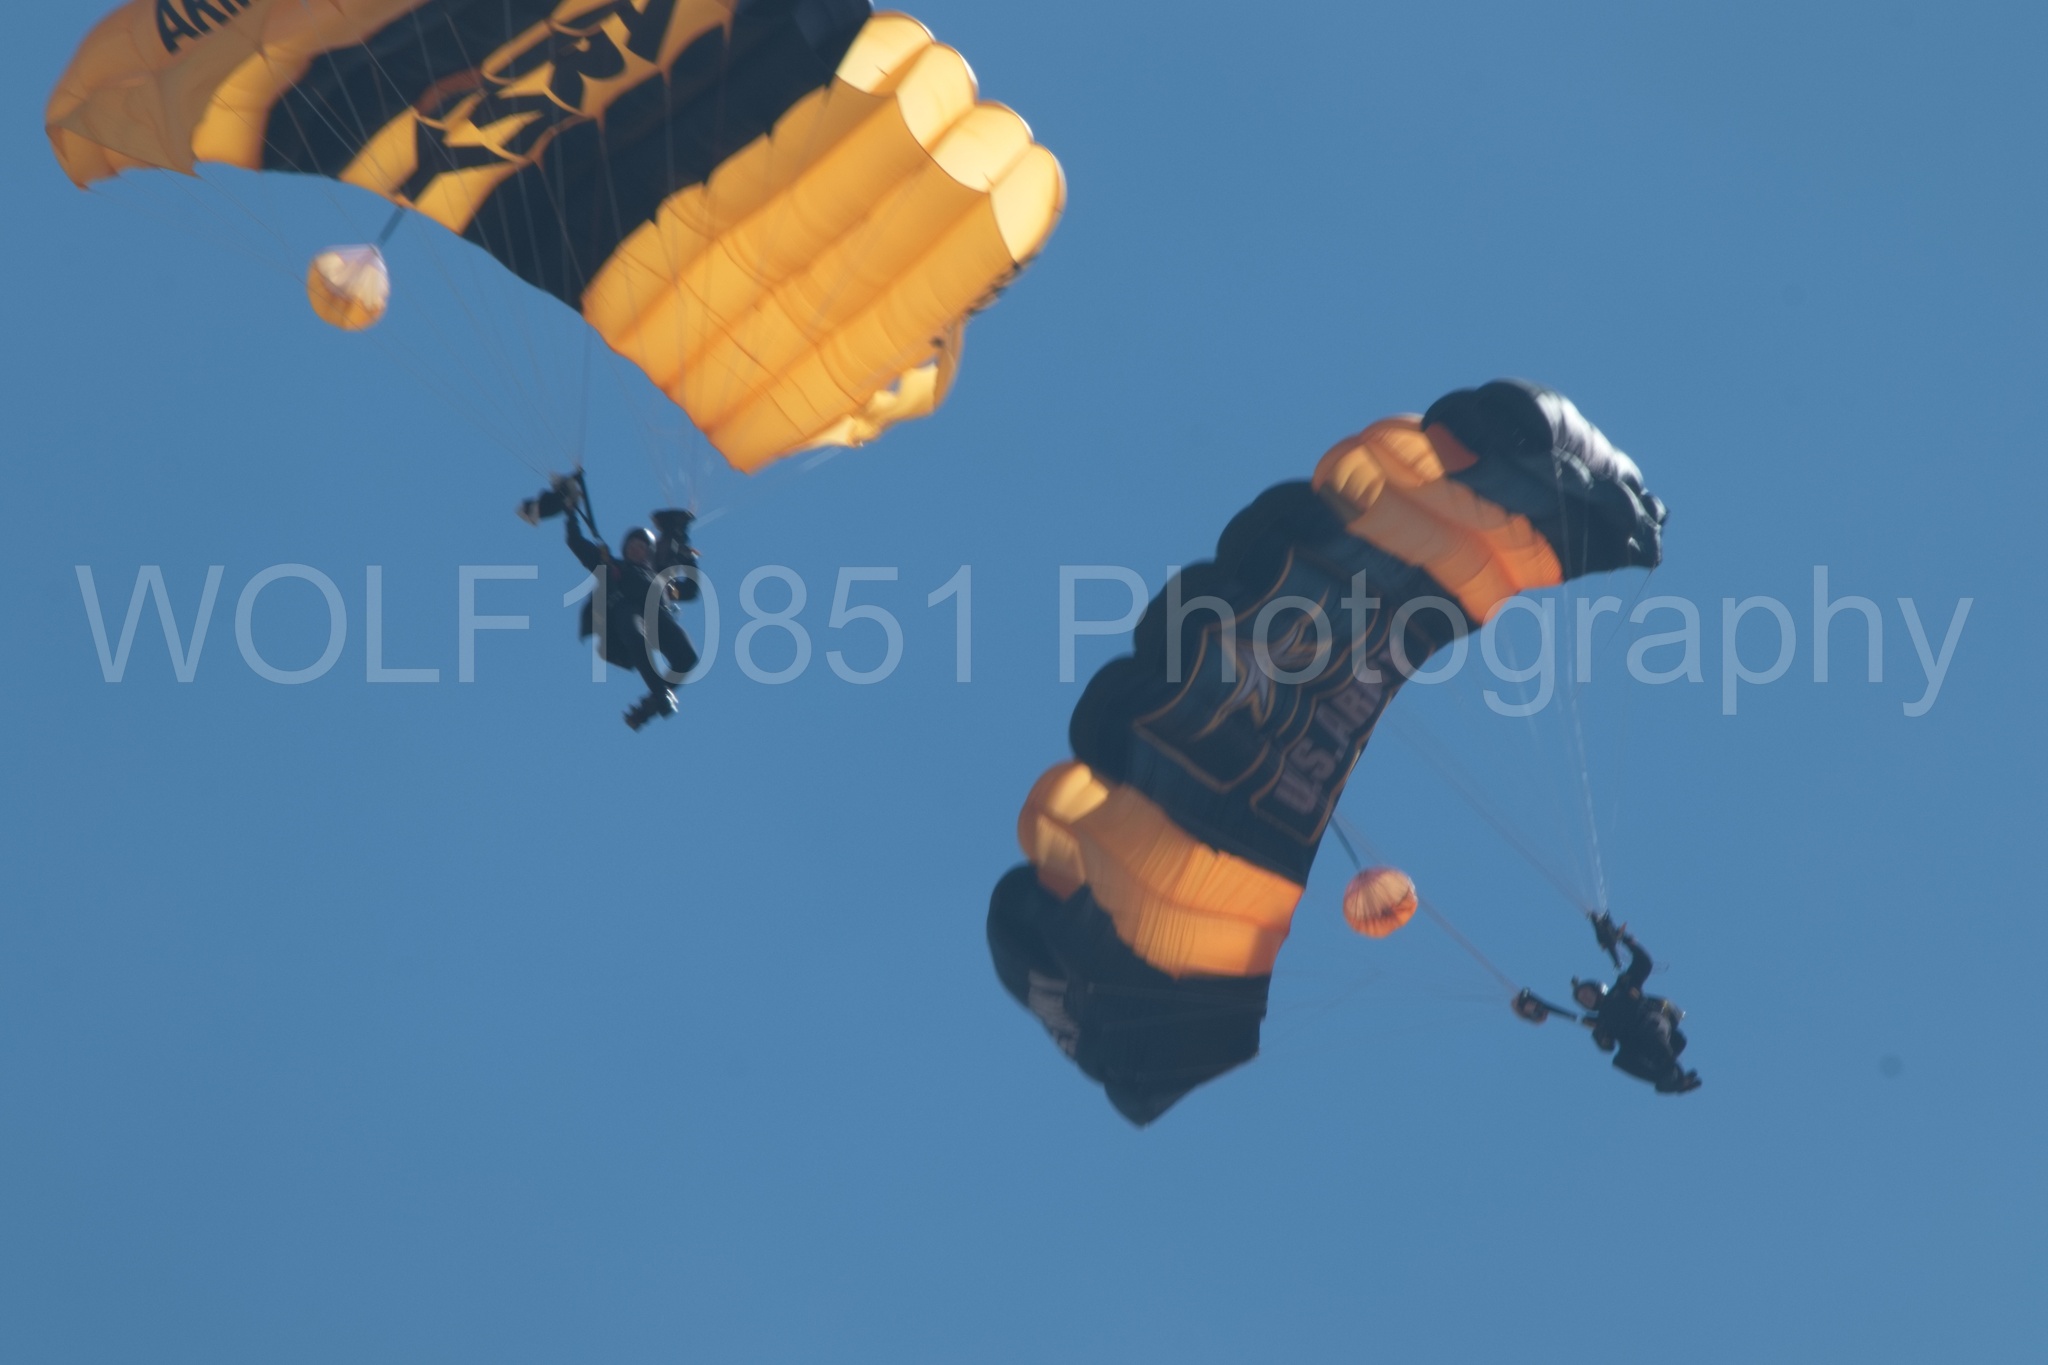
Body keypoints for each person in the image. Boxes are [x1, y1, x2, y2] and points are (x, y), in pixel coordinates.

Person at [521, 473, 699, 730]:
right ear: (625, 548)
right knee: (635, 635)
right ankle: (660, 693)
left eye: (642, 547)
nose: (637, 549)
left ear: (649, 555)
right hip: (624, 612)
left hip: (657, 614)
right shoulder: (609, 564)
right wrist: (571, 513)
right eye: (633, 545)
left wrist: (686, 555)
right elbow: (577, 543)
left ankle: (648, 705)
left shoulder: (662, 581)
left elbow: (691, 590)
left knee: (688, 658)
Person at [1570, 919, 1702, 1094]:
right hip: (1639, 1046)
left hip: (1654, 1025)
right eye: (1582, 1000)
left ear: (1597, 989)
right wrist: (1603, 1040)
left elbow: (1644, 963)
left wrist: (1624, 939)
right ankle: (1665, 1080)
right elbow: (1607, 1047)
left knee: (1651, 1030)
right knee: (1620, 1061)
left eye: (1586, 993)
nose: (1585, 998)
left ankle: (1674, 1071)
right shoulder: (1600, 1023)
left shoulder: (1623, 987)